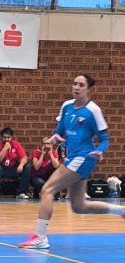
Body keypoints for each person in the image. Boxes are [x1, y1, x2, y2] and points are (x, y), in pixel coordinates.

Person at [19, 74, 125, 249]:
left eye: (81, 85)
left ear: (89, 89)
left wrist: (99, 150)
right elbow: (59, 131)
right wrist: (55, 138)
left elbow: (105, 140)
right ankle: (121, 210)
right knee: (79, 206)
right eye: (75, 84)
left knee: (47, 189)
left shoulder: (93, 111)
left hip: (84, 157)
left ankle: (40, 237)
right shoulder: (66, 106)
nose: (76, 87)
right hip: (72, 156)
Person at [0, 127, 31, 200]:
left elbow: (24, 158)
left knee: (27, 167)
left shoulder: (16, 144)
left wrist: (21, 165)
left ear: (11, 137)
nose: (7, 139)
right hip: (0, 170)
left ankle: (21, 193)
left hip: (13, 170)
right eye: (4, 137)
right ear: (1, 137)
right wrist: (5, 149)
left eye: (8, 137)